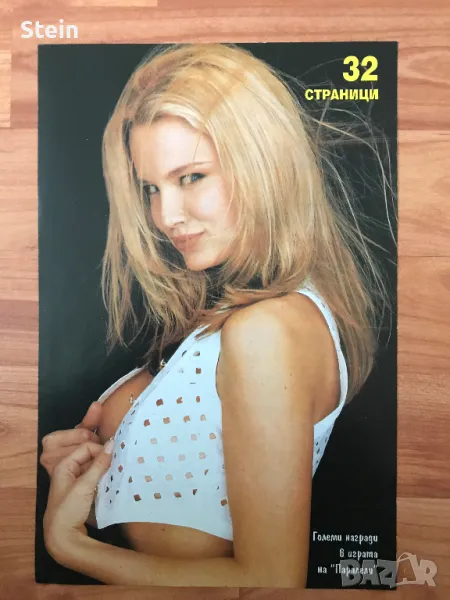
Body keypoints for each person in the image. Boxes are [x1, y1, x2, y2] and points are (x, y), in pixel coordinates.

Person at [40, 42, 393, 587]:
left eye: (191, 177)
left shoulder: (266, 330)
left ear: (262, 162)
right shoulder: (242, 314)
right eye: (151, 188)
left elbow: (270, 581)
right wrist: (91, 484)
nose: (165, 216)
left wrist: (69, 545)